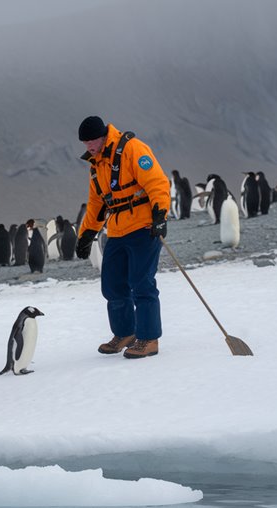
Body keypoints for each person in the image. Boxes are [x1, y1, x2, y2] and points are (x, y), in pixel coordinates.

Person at [74, 116, 170, 359]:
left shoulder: (132, 148)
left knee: (141, 282)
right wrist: (86, 234)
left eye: (91, 142)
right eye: (85, 144)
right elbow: (97, 202)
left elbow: (157, 182)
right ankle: (125, 333)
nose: (88, 147)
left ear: (103, 135)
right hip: (117, 229)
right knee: (113, 285)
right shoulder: (96, 164)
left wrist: (160, 215)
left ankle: (149, 338)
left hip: (143, 226)